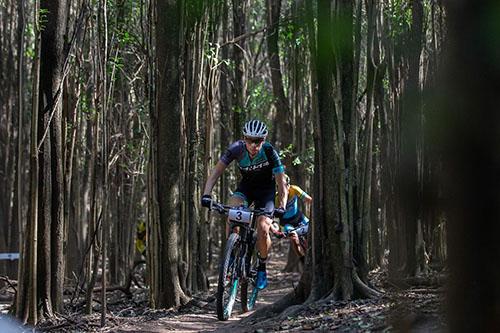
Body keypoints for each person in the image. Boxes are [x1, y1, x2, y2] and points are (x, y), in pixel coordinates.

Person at [201, 119, 288, 290]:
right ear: (244, 138)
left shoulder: (270, 152)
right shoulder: (236, 149)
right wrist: (206, 194)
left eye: (258, 141)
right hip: (246, 189)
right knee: (232, 212)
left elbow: (281, 183)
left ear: (264, 140)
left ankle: (262, 267)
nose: (253, 145)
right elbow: (215, 173)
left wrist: (282, 205)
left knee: (263, 227)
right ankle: (230, 256)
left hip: (266, 192)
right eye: (249, 140)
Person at [273, 174, 312, 258]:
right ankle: (303, 259)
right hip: (287, 224)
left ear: (288, 185)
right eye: (279, 187)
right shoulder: (275, 199)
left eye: (286, 186)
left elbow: (309, 200)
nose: (283, 189)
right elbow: (272, 218)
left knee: (312, 230)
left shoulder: (294, 189)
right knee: (294, 238)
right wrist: (276, 230)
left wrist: (311, 215)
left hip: (299, 218)